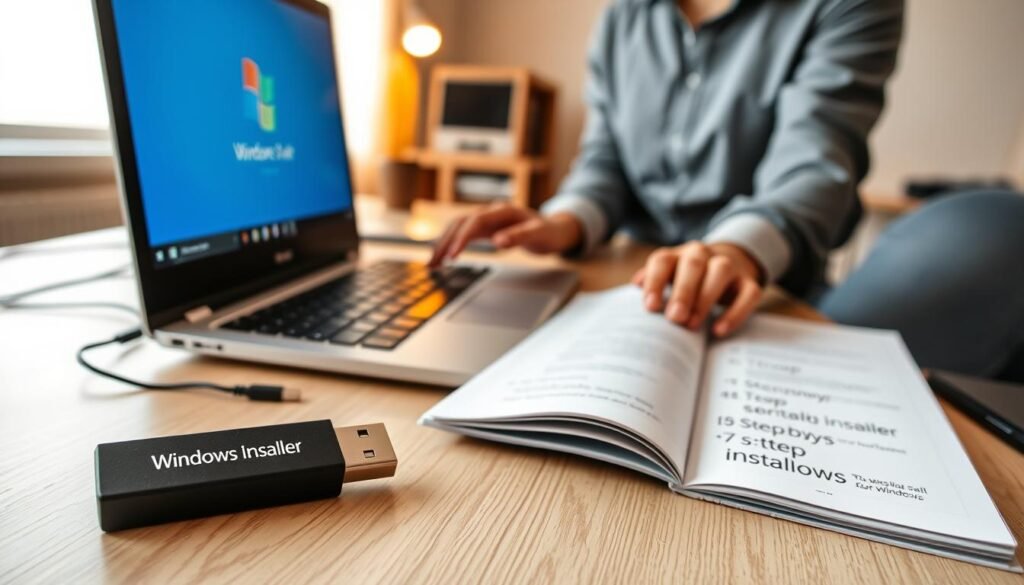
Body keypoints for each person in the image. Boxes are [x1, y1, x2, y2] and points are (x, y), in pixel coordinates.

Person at [431, 0, 905, 338]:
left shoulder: (844, 7)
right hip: (629, 289)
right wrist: (562, 220)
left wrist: (734, 250)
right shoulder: (623, 16)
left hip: (766, 297)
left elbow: (812, 164)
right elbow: (605, 160)